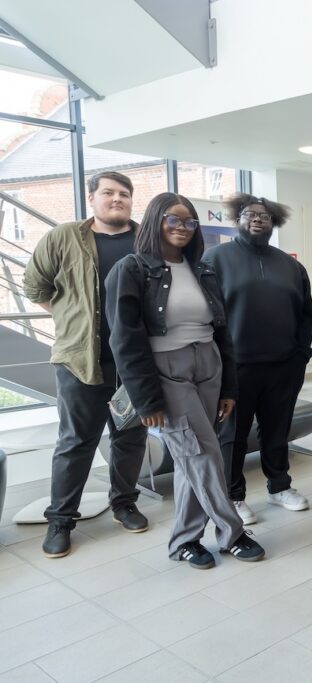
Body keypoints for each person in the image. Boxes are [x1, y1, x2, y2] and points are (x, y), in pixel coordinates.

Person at [105, 193, 265, 569]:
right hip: (166, 369)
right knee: (202, 453)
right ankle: (232, 531)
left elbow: (222, 331)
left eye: (189, 222)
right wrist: (146, 399)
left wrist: (229, 387)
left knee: (190, 458)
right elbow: (124, 340)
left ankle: (185, 540)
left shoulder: (202, 269)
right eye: (173, 220)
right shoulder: (132, 269)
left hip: (209, 363)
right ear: (155, 221)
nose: (182, 228)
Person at [23, 171, 149, 558]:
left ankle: (124, 503)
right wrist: (72, 320)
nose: (117, 199)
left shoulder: (146, 240)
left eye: (124, 193)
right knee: (76, 442)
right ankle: (61, 519)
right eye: (108, 192)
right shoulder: (63, 237)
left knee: (130, 438)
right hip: (80, 362)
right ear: (91, 197)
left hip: (133, 365)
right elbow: (35, 287)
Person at [202, 193, 312, 524]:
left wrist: (300, 356)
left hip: (283, 366)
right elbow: (205, 315)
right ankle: (233, 495)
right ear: (237, 218)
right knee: (233, 435)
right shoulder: (215, 259)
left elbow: (306, 315)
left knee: (277, 430)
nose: (257, 219)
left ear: (274, 222)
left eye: (264, 216)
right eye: (249, 214)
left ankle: (279, 487)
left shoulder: (291, 266)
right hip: (235, 368)